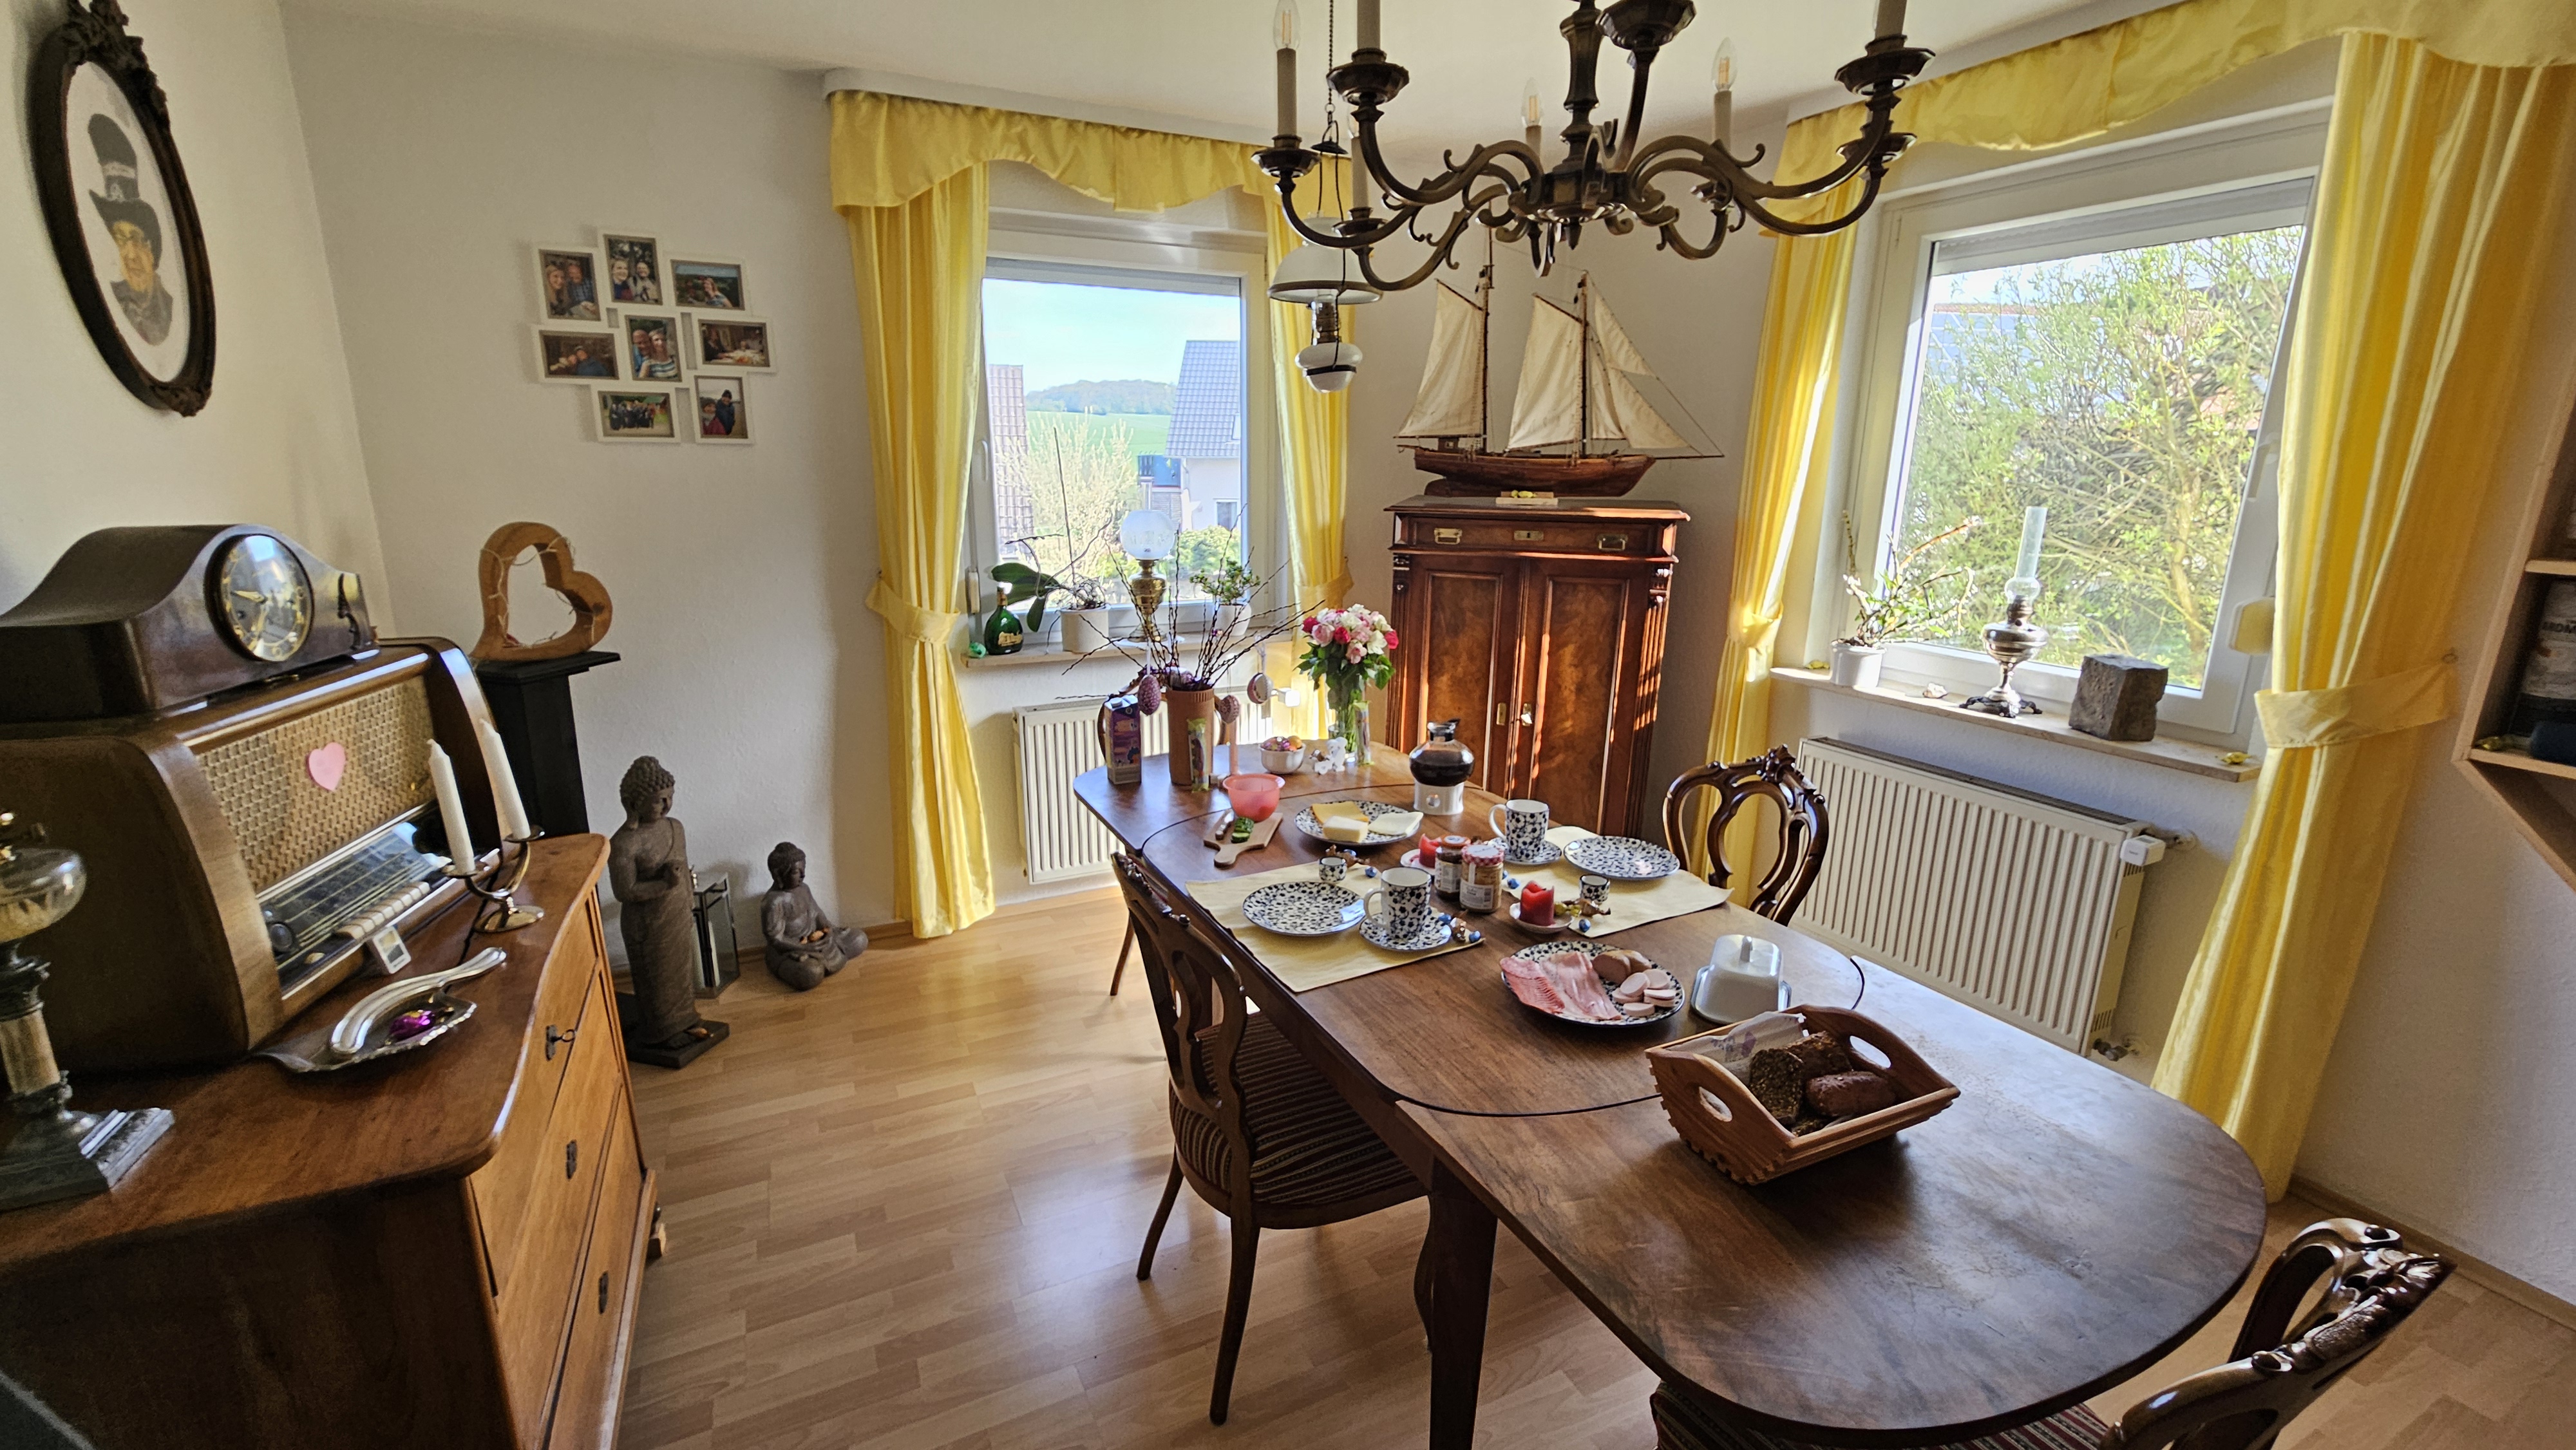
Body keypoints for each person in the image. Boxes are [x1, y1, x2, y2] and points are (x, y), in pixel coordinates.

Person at [608, 757, 719, 1058]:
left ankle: (685, 1020)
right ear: (635, 803)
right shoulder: (624, 843)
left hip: (676, 913)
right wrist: (664, 885)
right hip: (647, 923)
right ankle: (660, 1033)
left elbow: (684, 868)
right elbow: (624, 891)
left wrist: (687, 898)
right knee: (656, 977)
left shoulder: (675, 828)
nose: (667, 805)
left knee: (680, 972)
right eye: (659, 800)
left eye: (671, 797)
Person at [84, 115, 173, 346]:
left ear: (152, 249)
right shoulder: (114, 300)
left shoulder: (167, 307)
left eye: (135, 238)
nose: (130, 254)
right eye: (121, 241)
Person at [760, 842, 866, 991]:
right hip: (791, 949)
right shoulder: (773, 902)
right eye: (796, 872)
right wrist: (805, 947)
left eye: (804, 868)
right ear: (779, 875)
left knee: (859, 939)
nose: (803, 875)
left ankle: (825, 961)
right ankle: (814, 967)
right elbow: (776, 940)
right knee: (811, 973)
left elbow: (816, 914)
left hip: (817, 941)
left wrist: (829, 930)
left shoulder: (804, 889)